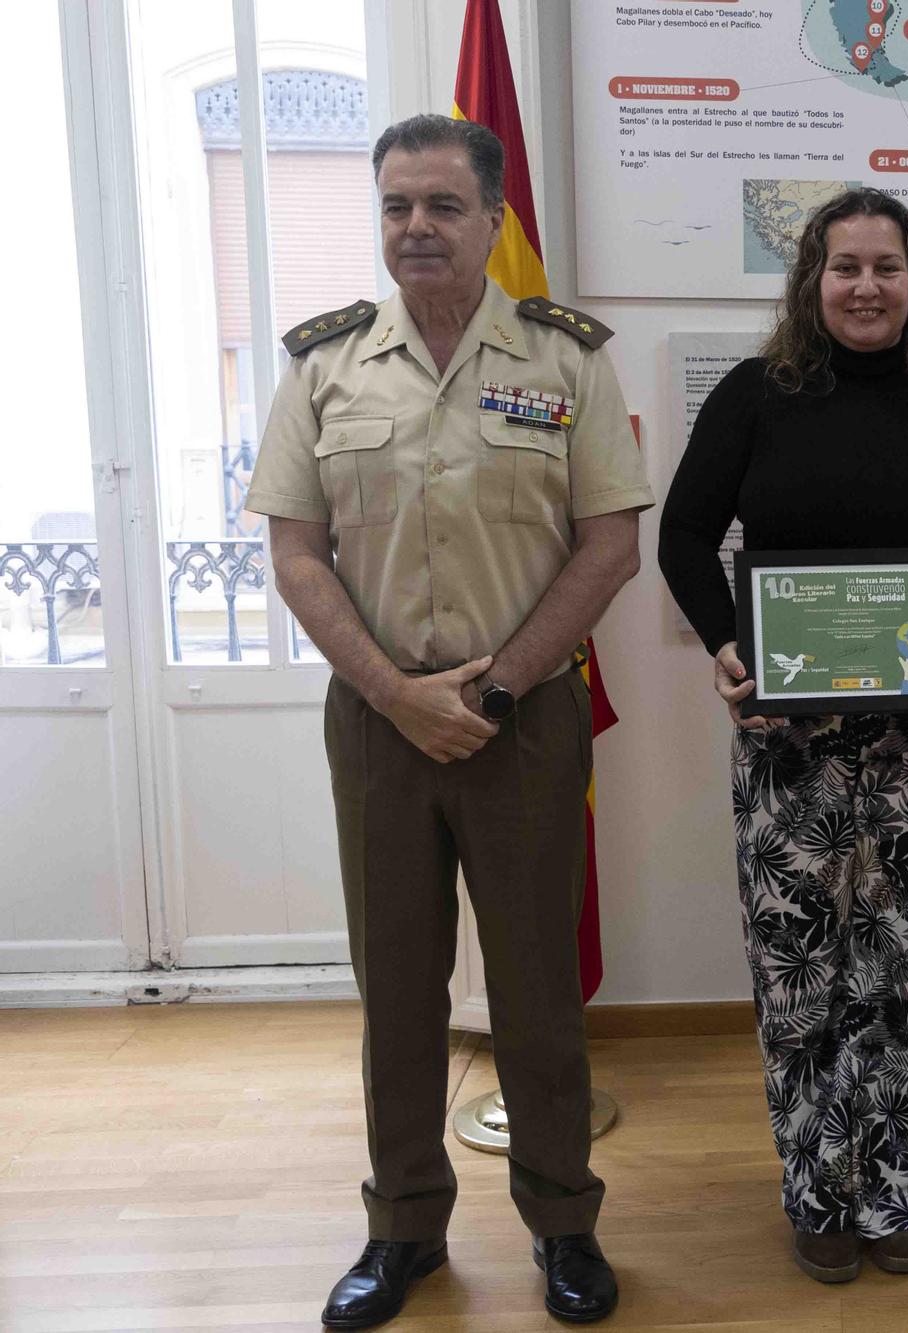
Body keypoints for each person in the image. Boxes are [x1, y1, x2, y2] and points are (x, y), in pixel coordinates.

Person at [246, 114, 652, 1328]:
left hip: (518, 721)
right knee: (400, 991)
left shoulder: (564, 356)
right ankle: (404, 1228)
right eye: (393, 207)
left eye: (439, 205)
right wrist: (395, 692)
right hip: (379, 725)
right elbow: (296, 551)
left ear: (490, 220)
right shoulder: (325, 365)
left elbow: (610, 544)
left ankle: (563, 1225)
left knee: (535, 992)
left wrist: (489, 689)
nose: (413, 227)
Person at [658, 189, 908, 1283]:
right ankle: (816, 1193)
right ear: (812, 278)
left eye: (887, 267)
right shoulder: (757, 394)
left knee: (902, 968)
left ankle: (901, 1192)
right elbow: (680, 536)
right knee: (798, 967)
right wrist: (724, 643)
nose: (867, 286)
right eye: (846, 266)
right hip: (785, 740)